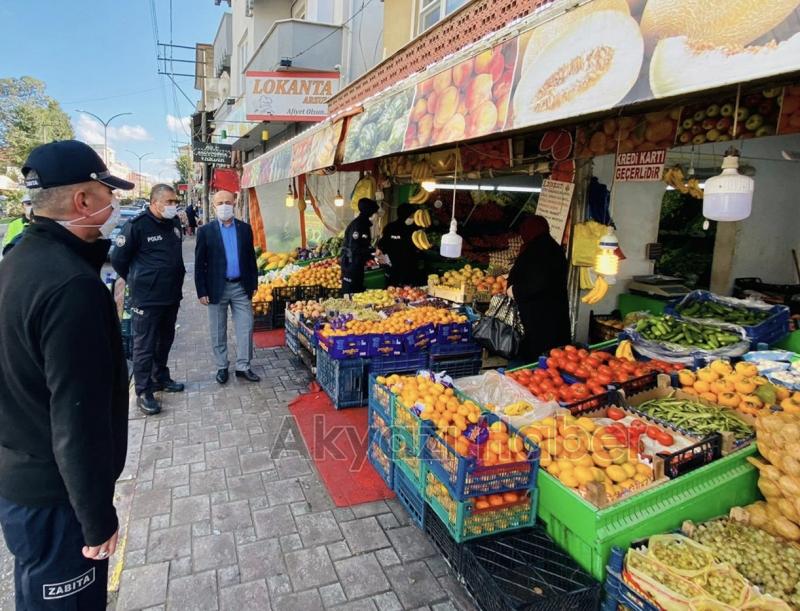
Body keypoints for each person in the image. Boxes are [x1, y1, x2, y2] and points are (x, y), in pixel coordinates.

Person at [0, 140, 132, 610]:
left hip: (25, 485)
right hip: (59, 501)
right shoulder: (70, 288)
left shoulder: (17, 262)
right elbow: (78, 418)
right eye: (107, 193)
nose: (114, 204)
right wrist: (96, 518)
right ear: (83, 201)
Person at [111, 183, 186, 415]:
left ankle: (160, 377)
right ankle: (143, 391)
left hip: (171, 295)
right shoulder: (137, 226)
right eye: (169, 202)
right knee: (143, 345)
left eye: (175, 202)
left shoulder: (173, 223)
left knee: (165, 339)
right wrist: (137, 280)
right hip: (146, 299)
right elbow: (118, 259)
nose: (173, 206)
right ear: (154, 203)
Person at [194, 190, 260, 384]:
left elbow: (251, 258)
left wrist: (253, 283)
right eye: (220, 203)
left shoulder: (245, 229)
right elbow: (199, 263)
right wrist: (201, 290)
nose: (224, 206)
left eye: (227, 202)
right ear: (214, 206)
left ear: (234, 203)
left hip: (240, 286)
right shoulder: (205, 231)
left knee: (246, 326)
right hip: (216, 288)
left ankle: (243, 366)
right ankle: (222, 366)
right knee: (217, 329)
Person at [507, 215, 571, 361]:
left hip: (541, 316)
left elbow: (539, 282)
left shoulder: (539, 251)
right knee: (552, 354)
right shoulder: (551, 247)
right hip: (550, 313)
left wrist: (515, 291)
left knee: (542, 355)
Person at [341, 197, 379, 294]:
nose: (376, 215)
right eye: (375, 212)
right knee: (350, 292)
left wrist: (371, 255)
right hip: (351, 264)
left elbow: (363, 245)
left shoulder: (364, 224)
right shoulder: (358, 225)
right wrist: (372, 251)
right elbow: (355, 248)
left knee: (358, 291)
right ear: (369, 212)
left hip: (357, 264)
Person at [377, 202, 419, 286]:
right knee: (392, 289)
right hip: (392, 267)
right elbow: (382, 245)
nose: (412, 218)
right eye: (411, 216)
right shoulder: (390, 227)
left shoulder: (416, 229)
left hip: (410, 267)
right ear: (404, 214)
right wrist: (386, 262)